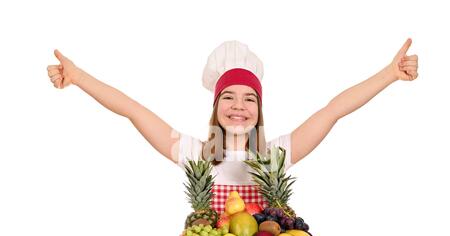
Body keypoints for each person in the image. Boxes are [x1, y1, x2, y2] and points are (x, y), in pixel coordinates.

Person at [46, 39, 419, 216]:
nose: (239, 106)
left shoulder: (275, 154)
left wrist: (388, 74)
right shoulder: (194, 153)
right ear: (215, 106)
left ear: (259, 109)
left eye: (249, 98)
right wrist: (79, 78)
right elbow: (132, 110)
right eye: (228, 97)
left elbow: (334, 110)